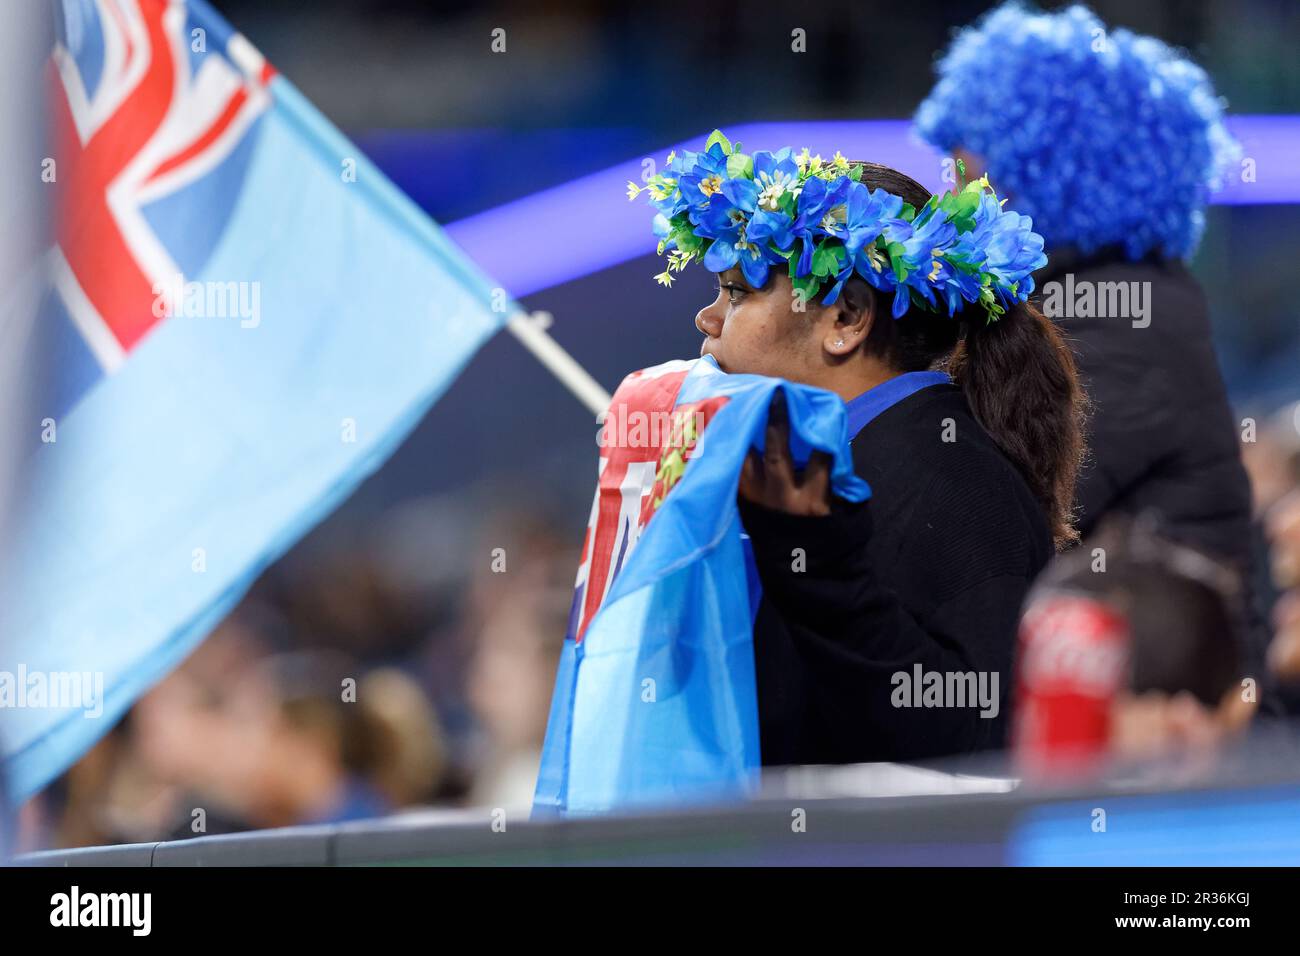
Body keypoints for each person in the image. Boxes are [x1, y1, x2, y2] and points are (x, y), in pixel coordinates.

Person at [633, 137, 1085, 764]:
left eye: (737, 292)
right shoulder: (819, 471)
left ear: (846, 317)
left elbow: (971, 752)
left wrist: (819, 567)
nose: (707, 319)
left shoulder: (962, 486)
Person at [913, 4, 1272, 703]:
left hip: (1168, 738)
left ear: (1046, 164)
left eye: (969, 162)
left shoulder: (1124, 317)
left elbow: (983, 517)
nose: (951, 189)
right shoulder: (1093, 297)